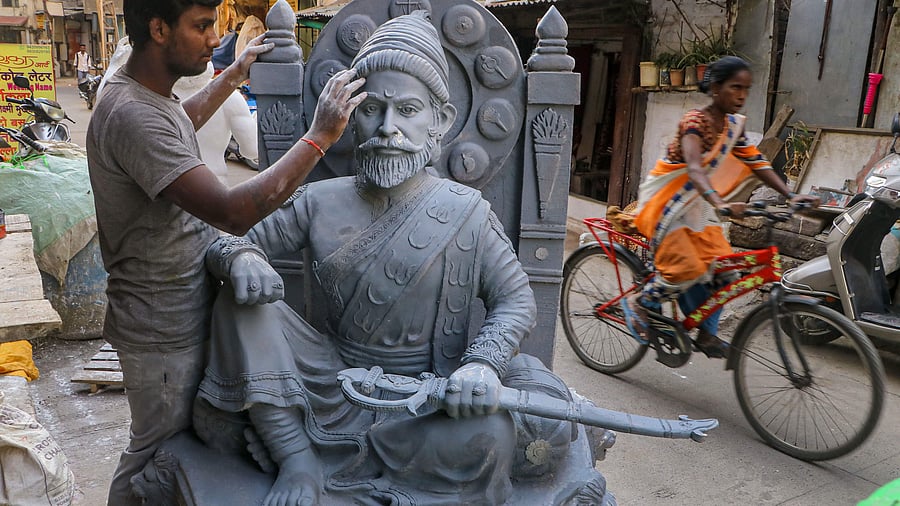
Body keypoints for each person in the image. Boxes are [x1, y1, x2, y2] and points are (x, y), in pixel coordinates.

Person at [196, 11, 602, 506]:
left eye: (409, 110)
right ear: (350, 117)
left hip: (426, 400)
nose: (389, 128)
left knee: (490, 437)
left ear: (441, 121)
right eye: (373, 110)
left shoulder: (466, 212)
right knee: (239, 305)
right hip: (331, 383)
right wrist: (241, 258)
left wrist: (482, 366)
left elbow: (516, 300)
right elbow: (229, 240)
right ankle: (297, 457)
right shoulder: (320, 199)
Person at [84, 0, 366, 504]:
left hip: (177, 309)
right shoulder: (130, 114)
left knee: (181, 448)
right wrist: (320, 137)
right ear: (158, 29)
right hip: (161, 325)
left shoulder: (150, 97)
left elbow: (180, 122)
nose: (216, 37)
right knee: (155, 453)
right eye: (202, 26)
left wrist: (234, 75)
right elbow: (233, 212)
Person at [621, 56, 820, 358]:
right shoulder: (694, 122)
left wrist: (790, 195)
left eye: (746, 89)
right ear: (715, 88)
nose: (741, 95)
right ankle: (641, 302)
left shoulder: (732, 126)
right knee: (684, 267)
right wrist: (722, 204)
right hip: (668, 201)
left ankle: (706, 334)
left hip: (698, 204)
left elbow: (756, 162)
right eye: (734, 87)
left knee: (724, 268)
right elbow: (694, 168)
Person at [172, 62, 257, 180]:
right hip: (214, 180)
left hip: (166, 186)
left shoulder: (152, 95)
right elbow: (252, 151)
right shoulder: (231, 96)